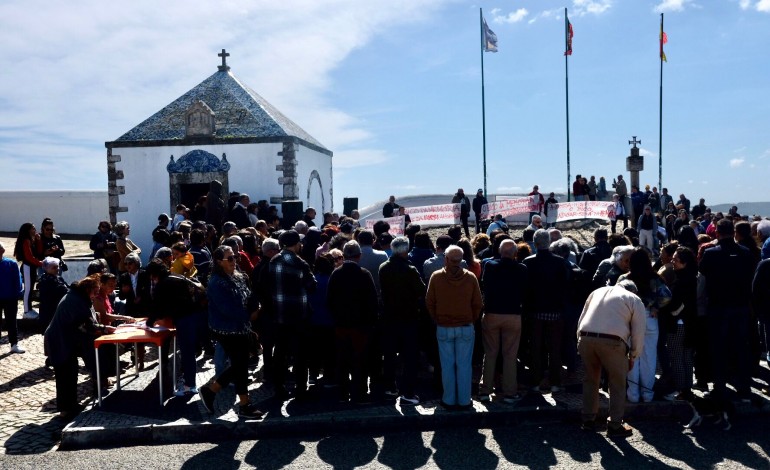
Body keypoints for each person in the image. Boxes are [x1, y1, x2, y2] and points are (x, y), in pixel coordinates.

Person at [198, 245, 262, 418]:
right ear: (219, 262)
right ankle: (243, 404)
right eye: (230, 258)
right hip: (227, 329)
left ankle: (212, 391)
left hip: (242, 327)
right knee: (240, 365)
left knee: (240, 364)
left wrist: (255, 305)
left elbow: (248, 295)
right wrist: (250, 316)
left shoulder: (239, 276)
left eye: (235, 257)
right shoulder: (216, 283)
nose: (235, 261)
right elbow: (228, 309)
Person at [577, 279, 646, 438]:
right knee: (617, 382)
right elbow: (639, 331)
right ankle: (615, 425)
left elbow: (582, 317)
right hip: (613, 342)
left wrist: (579, 343)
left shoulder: (597, 292)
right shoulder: (634, 299)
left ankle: (588, 420)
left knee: (590, 379)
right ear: (633, 290)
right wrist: (633, 354)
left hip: (585, 338)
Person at [45, 276, 116, 420]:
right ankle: (65, 410)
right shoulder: (76, 301)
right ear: (87, 289)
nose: (96, 295)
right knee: (65, 376)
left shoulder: (78, 297)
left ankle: (71, 406)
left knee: (71, 373)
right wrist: (105, 328)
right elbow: (86, 325)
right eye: (95, 292)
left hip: (65, 340)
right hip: (59, 341)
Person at [699, 219, 754, 403]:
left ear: (717, 233)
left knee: (718, 347)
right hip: (741, 307)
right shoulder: (746, 253)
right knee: (740, 346)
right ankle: (744, 387)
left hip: (718, 307)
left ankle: (720, 387)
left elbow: (703, 275)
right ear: (733, 232)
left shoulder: (711, 253)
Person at [426, 245, 482, 410]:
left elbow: (430, 302)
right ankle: (465, 400)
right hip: (465, 325)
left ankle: (449, 399)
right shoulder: (470, 277)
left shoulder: (436, 277)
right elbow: (478, 303)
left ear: (446, 259)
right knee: (464, 365)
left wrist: (437, 319)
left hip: (444, 326)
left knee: (447, 365)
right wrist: (471, 318)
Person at [326, 240, 378, 403]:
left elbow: (330, 299)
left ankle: (343, 393)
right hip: (361, 325)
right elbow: (373, 301)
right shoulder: (364, 273)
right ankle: (360, 392)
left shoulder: (336, 273)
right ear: (359, 255)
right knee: (360, 359)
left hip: (341, 324)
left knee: (342, 359)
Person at [618, 248, 671, 403]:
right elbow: (667, 296)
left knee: (632, 357)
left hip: (631, 320)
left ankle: (632, 394)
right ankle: (648, 394)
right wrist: (655, 306)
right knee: (650, 358)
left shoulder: (624, 279)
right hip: (650, 318)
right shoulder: (655, 278)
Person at [478, 240, 528, 403]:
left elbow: (485, 286)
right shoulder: (521, 268)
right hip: (513, 314)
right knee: (510, 355)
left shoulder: (490, 266)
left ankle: (485, 390)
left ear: (499, 252)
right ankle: (509, 392)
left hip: (492, 312)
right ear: (515, 253)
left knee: (490, 353)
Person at [269, 230, 317, 399]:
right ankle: (301, 390)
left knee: (280, 352)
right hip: (299, 314)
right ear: (296, 244)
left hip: (279, 314)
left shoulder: (273, 261)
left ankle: (278, 388)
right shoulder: (300, 263)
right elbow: (312, 286)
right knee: (301, 354)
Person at [379, 236, 426, 405]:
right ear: (405, 251)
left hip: (389, 316)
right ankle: (408, 393)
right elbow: (421, 291)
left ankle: (389, 388)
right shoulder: (410, 270)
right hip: (409, 317)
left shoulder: (383, 268)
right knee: (409, 356)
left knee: (389, 354)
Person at [523, 229, 569, 392]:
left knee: (536, 348)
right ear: (549, 242)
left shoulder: (528, 262)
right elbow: (565, 286)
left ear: (535, 244)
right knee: (554, 348)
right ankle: (555, 382)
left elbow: (526, 289)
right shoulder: (559, 262)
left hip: (535, 311)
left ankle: (536, 381)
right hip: (555, 311)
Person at [659, 246, 697, 401]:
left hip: (678, 324)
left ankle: (683, 390)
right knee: (687, 357)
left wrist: (671, 313)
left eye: (675, 259)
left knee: (676, 357)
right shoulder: (693, 278)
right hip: (690, 324)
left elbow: (677, 305)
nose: (672, 261)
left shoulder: (681, 281)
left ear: (684, 263)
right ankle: (687, 387)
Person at [0, 241, 25, 354]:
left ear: (2, 251)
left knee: (11, 321)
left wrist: (17, 293)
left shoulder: (11, 263)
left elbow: (18, 280)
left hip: (10, 297)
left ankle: (14, 344)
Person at [14, 222, 42, 319]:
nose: (35, 230)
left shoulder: (32, 240)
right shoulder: (26, 241)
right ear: (28, 230)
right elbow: (29, 257)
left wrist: (38, 241)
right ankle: (26, 311)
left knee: (30, 288)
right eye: (33, 228)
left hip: (32, 267)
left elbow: (39, 252)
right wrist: (41, 263)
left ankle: (29, 308)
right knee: (28, 289)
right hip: (27, 267)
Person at [38, 257, 69, 331]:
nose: (57, 269)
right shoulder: (45, 280)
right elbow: (60, 291)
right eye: (54, 267)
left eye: (58, 266)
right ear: (46, 269)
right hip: (49, 310)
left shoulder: (58, 278)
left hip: (58, 308)